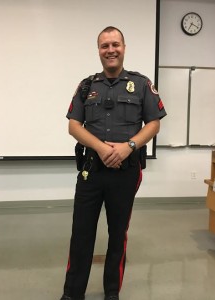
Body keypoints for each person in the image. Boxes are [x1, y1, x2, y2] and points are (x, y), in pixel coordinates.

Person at [59, 26, 167, 300]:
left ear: (124, 48)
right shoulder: (86, 86)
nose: (111, 50)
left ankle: (111, 293)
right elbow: (74, 125)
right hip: (91, 171)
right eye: (105, 45)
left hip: (125, 173)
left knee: (118, 235)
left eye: (115, 44)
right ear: (99, 51)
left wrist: (128, 147)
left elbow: (153, 123)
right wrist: (101, 148)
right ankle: (72, 294)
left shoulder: (141, 84)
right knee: (81, 235)